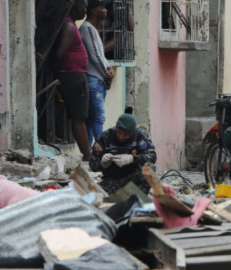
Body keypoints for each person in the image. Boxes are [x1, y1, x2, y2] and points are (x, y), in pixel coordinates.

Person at [53, 0, 91, 161]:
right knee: (78, 116)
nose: (86, 11)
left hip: (75, 74)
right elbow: (60, 53)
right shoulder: (68, 26)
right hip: (73, 75)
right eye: (85, 7)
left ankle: (86, 153)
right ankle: (88, 155)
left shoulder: (72, 25)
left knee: (79, 115)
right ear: (77, 7)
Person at [89, 114, 157, 195]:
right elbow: (92, 164)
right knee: (94, 194)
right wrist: (102, 163)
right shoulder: (105, 137)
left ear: (132, 133)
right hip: (112, 180)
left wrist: (132, 158)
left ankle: (139, 198)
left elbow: (152, 156)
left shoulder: (139, 136)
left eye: (125, 134)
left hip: (133, 178)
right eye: (119, 132)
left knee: (149, 168)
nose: (121, 137)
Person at [80, 0, 115, 149]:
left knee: (92, 118)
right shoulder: (87, 28)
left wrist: (108, 70)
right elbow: (95, 56)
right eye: (103, 7)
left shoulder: (92, 29)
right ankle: (103, 150)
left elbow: (100, 55)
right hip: (94, 78)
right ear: (94, 11)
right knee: (98, 117)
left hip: (97, 79)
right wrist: (106, 73)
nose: (106, 10)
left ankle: (89, 151)